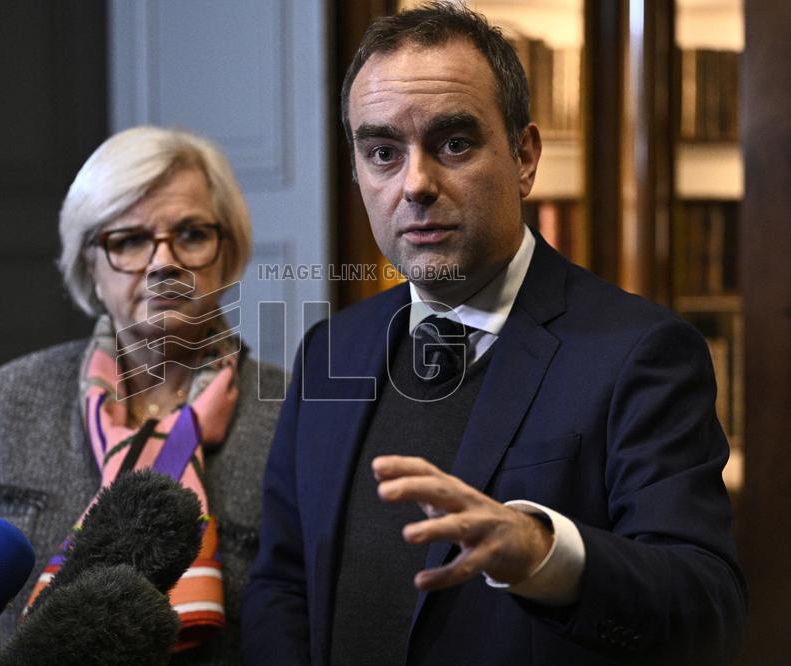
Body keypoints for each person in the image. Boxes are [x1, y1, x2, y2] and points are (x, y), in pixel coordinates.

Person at [242, 3, 746, 664]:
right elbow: (281, 581)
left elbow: (708, 607)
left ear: (524, 157)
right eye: (383, 152)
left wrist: (547, 553)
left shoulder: (641, 354)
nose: (416, 184)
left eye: (454, 143)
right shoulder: (331, 351)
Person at [0, 126, 286, 664]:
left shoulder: (293, 410)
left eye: (190, 234)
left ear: (226, 255)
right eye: (129, 240)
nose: (163, 263)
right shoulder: (9, 400)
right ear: (89, 267)